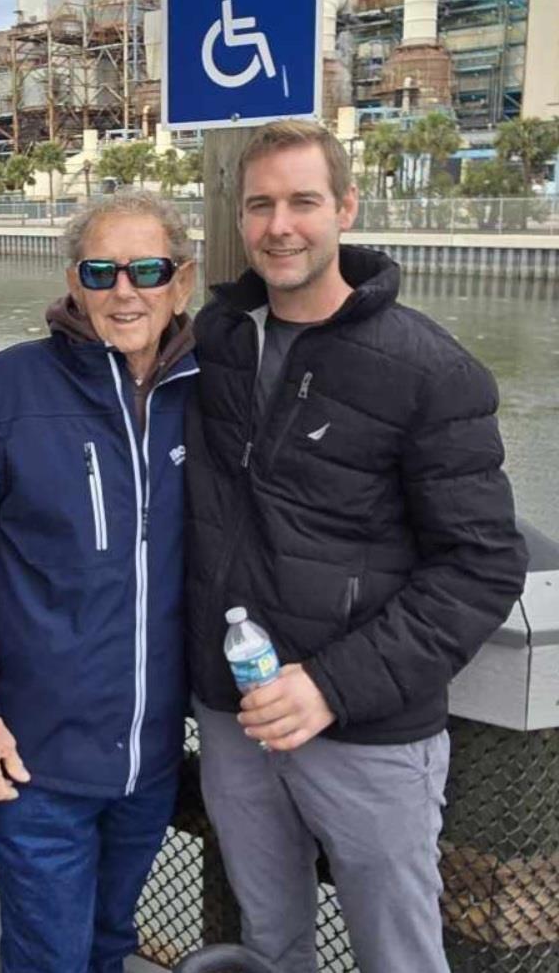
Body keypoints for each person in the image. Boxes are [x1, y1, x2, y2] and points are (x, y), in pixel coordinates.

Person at [185, 119, 527, 973]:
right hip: (234, 717)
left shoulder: (429, 370)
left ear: (345, 207)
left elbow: (483, 566)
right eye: (260, 205)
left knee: (399, 954)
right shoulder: (218, 342)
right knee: (270, 945)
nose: (280, 225)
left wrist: (332, 687)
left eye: (303, 201)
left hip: (369, 735)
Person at [0, 191, 198, 973]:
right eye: (101, 271)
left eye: (148, 269)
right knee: (50, 956)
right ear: (73, 281)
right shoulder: (6, 390)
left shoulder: (210, 395)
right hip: (31, 760)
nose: (125, 291)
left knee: (110, 943)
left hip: (149, 760)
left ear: (182, 281)